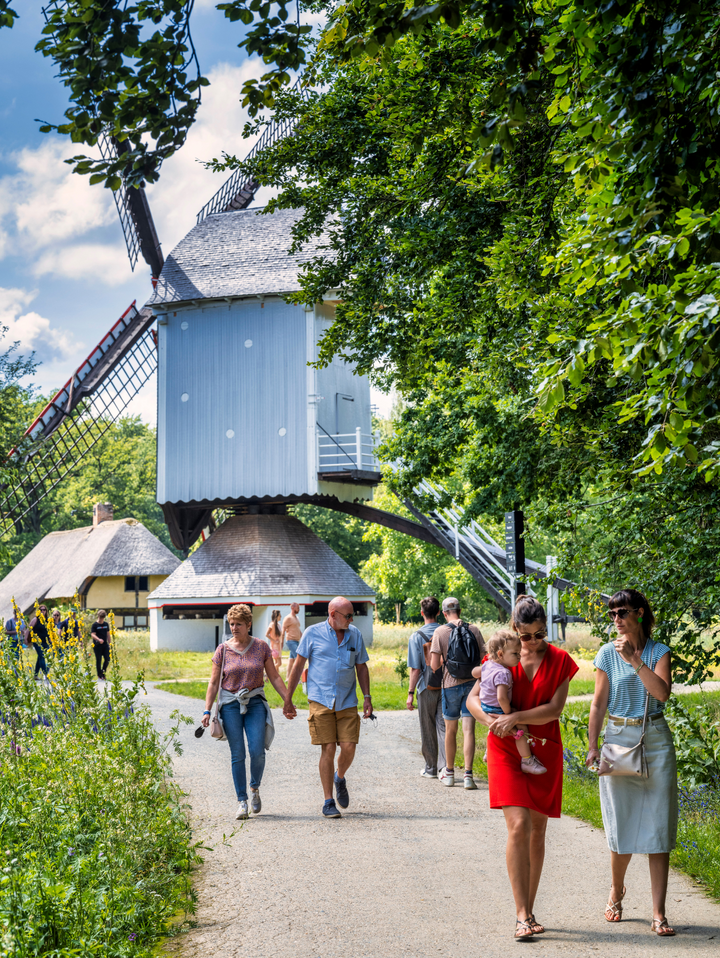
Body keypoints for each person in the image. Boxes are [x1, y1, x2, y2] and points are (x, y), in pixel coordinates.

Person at [467, 595, 578, 939]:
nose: (533, 642)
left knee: (538, 829)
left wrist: (515, 716)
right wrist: (491, 720)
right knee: (518, 825)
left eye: (540, 634)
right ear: (515, 629)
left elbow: (554, 709)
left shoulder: (561, 661)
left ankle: (529, 909)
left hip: (542, 750)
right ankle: (521, 916)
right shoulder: (501, 655)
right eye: (527, 636)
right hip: (505, 747)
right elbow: (472, 699)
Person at [585, 589, 676, 936]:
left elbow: (662, 693)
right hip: (618, 739)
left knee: (659, 825)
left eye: (622, 612)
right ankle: (616, 890)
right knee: (620, 823)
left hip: (653, 740)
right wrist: (593, 745)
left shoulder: (658, 652)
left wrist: (636, 662)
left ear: (639, 614)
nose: (617, 620)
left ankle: (658, 912)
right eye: (612, 614)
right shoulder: (606, 653)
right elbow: (597, 703)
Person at [284, 596, 373, 818]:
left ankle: (339, 777)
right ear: (333, 615)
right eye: (348, 616)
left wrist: (367, 697)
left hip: (347, 700)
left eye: (352, 615)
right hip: (320, 699)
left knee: (349, 746)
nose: (351, 620)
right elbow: (298, 666)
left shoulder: (356, 635)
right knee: (328, 749)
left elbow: (361, 667)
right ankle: (328, 801)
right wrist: (288, 698)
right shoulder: (312, 633)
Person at [201, 604, 292, 820]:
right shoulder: (222, 650)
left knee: (257, 751)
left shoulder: (261, 647)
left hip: (255, 703)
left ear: (248, 624)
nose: (234, 628)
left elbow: (276, 677)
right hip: (231, 704)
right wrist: (206, 710)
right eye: (231, 624)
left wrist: (287, 701)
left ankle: (254, 789)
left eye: (238, 624)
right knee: (238, 753)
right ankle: (241, 801)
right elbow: (214, 683)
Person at [429, 596, 485, 789]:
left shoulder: (440, 631)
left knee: (450, 730)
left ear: (444, 614)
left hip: (449, 685)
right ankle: (469, 776)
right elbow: (484, 659)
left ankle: (450, 773)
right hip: (472, 686)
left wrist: (446, 661)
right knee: (469, 729)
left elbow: (434, 666)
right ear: (460, 611)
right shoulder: (474, 630)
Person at [478, 630, 547, 775]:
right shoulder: (503, 673)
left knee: (495, 728)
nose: (519, 657)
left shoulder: (488, 665)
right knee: (520, 726)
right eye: (515, 654)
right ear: (501, 654)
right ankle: (527, 760)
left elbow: (474, 673)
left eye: (519, 653)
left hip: (485, 706)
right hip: (497, 707)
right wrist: (509, 714)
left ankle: (488, 752)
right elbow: (502, 698)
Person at [406, 596, 446, 778]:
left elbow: (415, 669)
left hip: (425, 687)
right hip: (446, 685)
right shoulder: (446, 632)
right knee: (444, 726)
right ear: (439, 613)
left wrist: (410, 694)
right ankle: (446, 768)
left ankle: (430, 768)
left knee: (427, 727)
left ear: (422, 613)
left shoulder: (416, 636)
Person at [24, 605, 51, 679]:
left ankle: (35, 675)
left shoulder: (48, 620)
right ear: (38, 611)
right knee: (42, 656)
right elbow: (29, 629)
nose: (42, 611)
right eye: (41, 610)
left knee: (40, 657)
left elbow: (50, 631)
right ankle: (46, 674)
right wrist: (26, 638)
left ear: (46, 611)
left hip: (46, 641)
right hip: (36, 641)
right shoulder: (35, 619)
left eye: (44, 610)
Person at [281, 603, 302, 677]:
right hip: (290, 641)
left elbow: (298, 629)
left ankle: (287, 677)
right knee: (298, 659)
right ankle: (297, 678)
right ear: (293, 608)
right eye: (298, 608)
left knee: (291, 660)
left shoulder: (296, 618)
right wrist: (281, 643)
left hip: (296, 641)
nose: (299, 609)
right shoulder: (288, 618)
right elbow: (283, 631)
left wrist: (302, 637)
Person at [91, 609, 111, 679]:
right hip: (97, 645)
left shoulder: (106, 624)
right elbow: (93, 634)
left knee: (107, 658)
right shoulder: (95, 625)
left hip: (105, 645)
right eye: (100, 617)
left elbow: (108, 634)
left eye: (102, 618)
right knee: (98, 660)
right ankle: (99, 674)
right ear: (98, 616)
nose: (101, 619)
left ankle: (103, 672)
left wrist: (110, 644)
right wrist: (98, 639)